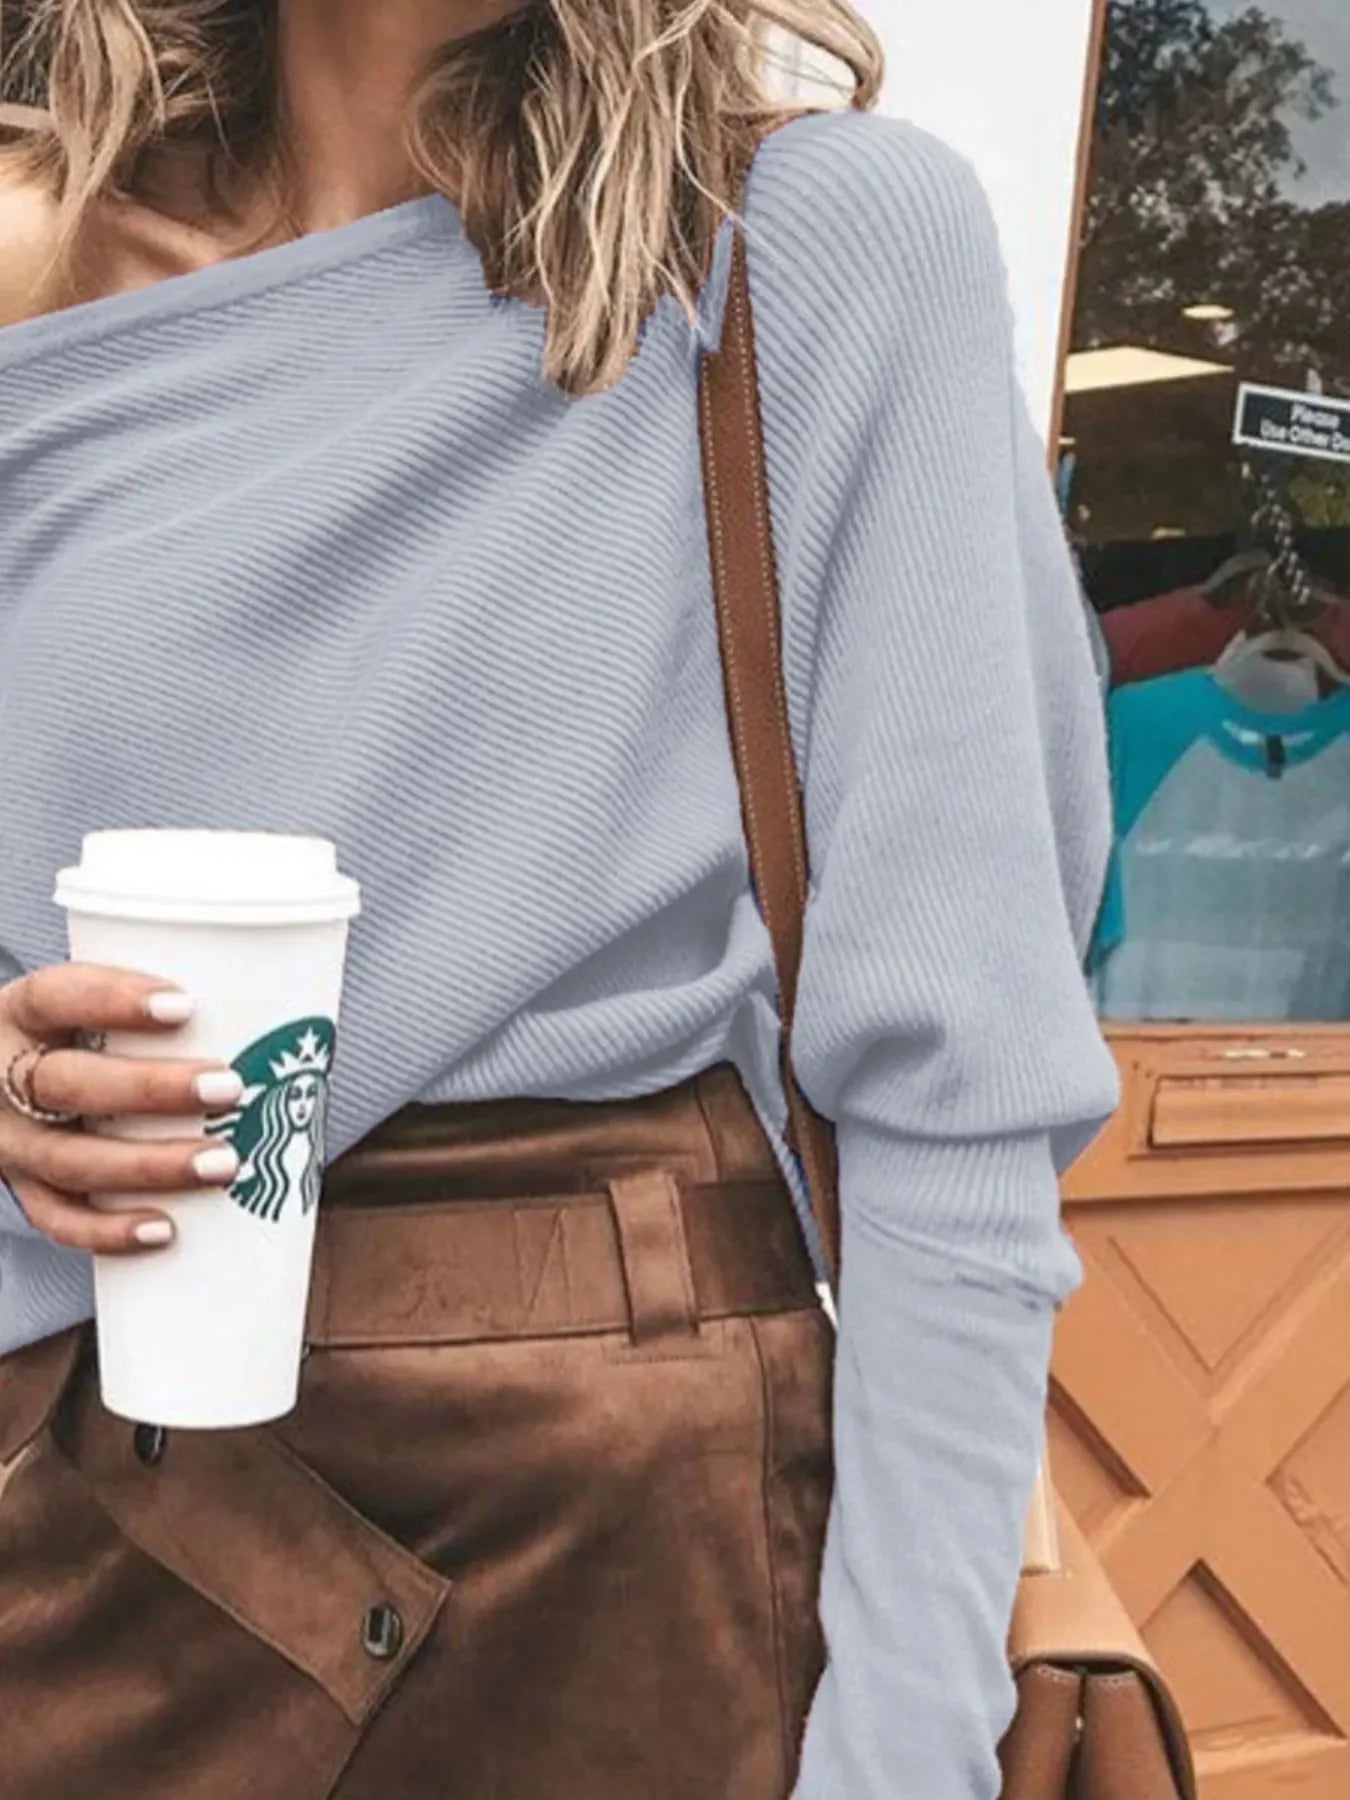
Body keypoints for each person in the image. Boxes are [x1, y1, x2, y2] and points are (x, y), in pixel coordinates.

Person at [0, 1, 1121, 1795]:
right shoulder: (35, 264)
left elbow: (955, 1099)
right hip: (87, 1532)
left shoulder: (812, 243)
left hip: (616, 1567)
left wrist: (908, 1749)